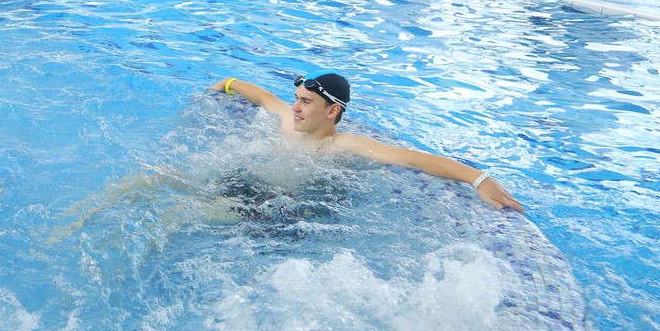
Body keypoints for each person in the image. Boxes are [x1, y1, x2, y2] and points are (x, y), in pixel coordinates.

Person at [207, 69, 524, 211]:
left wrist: (479, 179)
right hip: (248, 183)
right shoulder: (288, 120)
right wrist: (226, 84)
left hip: (280, 203)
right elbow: (261, 95)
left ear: (332, 111)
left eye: (305, 102)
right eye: (296, 99)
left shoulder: (342, 145)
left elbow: (412, 158)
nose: (295, 107)